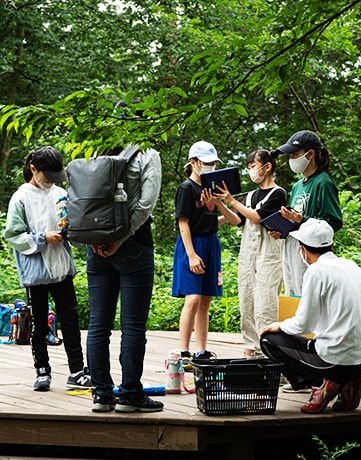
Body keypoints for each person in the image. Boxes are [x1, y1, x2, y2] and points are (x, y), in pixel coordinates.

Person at [260, 219, 361, 414]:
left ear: (302, 249)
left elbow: (304, 324)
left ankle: (322, 383)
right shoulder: (351, 265)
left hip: (333, 361)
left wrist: (278, 326)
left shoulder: (315, 271)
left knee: (268, 341)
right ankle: (349, 384)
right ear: (331, 245)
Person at [4, 146, 91, 392]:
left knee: (70, 320)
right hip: (36, 271)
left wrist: (69, 233)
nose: (51, 181)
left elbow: (73, 223)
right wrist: (43, 238)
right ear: (34, 169)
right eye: (47, 176)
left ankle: (77, 370)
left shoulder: (61, 193)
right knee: (39, 323)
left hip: (62, 268)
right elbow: (14, 234)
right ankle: (42, 370)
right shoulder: (20, 197)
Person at [86, 143, 162, 413]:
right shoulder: (147, 154)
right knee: (132, 327)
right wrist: (121, 238)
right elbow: (146, 203)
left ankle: (101, 395)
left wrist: (97, 240)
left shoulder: (97, 152)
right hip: (135, 245)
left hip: (96, 245)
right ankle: (130, 394)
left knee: (98, 325)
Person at [212, 149, 287, 358]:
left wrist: (231, 201)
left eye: (252, 166)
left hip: (268, 255)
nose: (250, 171)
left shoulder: (278, 193)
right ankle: (250, 349)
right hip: (248, 255)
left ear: (267, 167)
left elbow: (256, 217)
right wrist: (218, 202)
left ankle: (270, 353)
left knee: (265, 305)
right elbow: (238, 220)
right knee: (247, 302)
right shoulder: (251, 195)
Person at [172, 141, 239, 368]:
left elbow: (228, 220)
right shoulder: (186, 189)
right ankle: (184, 350)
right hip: (191, 244)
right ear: (193, 163)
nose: (211, 167)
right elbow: (184, 223)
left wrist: (220, 204)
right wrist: (191, 255)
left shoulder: (213, 189)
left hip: (211, 244)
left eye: (213, 163)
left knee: (206, 300)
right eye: (206, 163)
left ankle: (201, 350)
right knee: (193, 298)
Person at [272, 130, 343, 296]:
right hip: (291, 245)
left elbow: (334, 221)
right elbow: (293, 220)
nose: (291, 159)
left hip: (311, 248)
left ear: (310, 154)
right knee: (292, 294)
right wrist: (280, 228)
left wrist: (303, 220)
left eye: (295, 154)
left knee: (308, 295)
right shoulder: (297, 186)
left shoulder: (323, 182)